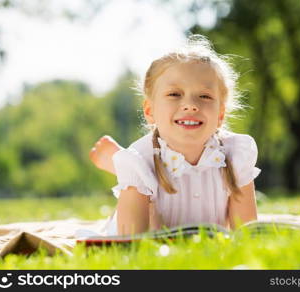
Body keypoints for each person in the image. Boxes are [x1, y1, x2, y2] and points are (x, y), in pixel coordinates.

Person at [90, 34, 261, 236]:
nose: (190, 104)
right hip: (149, 220)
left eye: (204, 96)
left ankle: (113, 160)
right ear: (149, 111)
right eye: (174, 94)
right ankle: (118, 162)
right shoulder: (138, 161)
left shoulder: (236, 155)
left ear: (220, 115)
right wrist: (131, 170)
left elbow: (246, 235)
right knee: (139, 171)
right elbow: (131, 242)